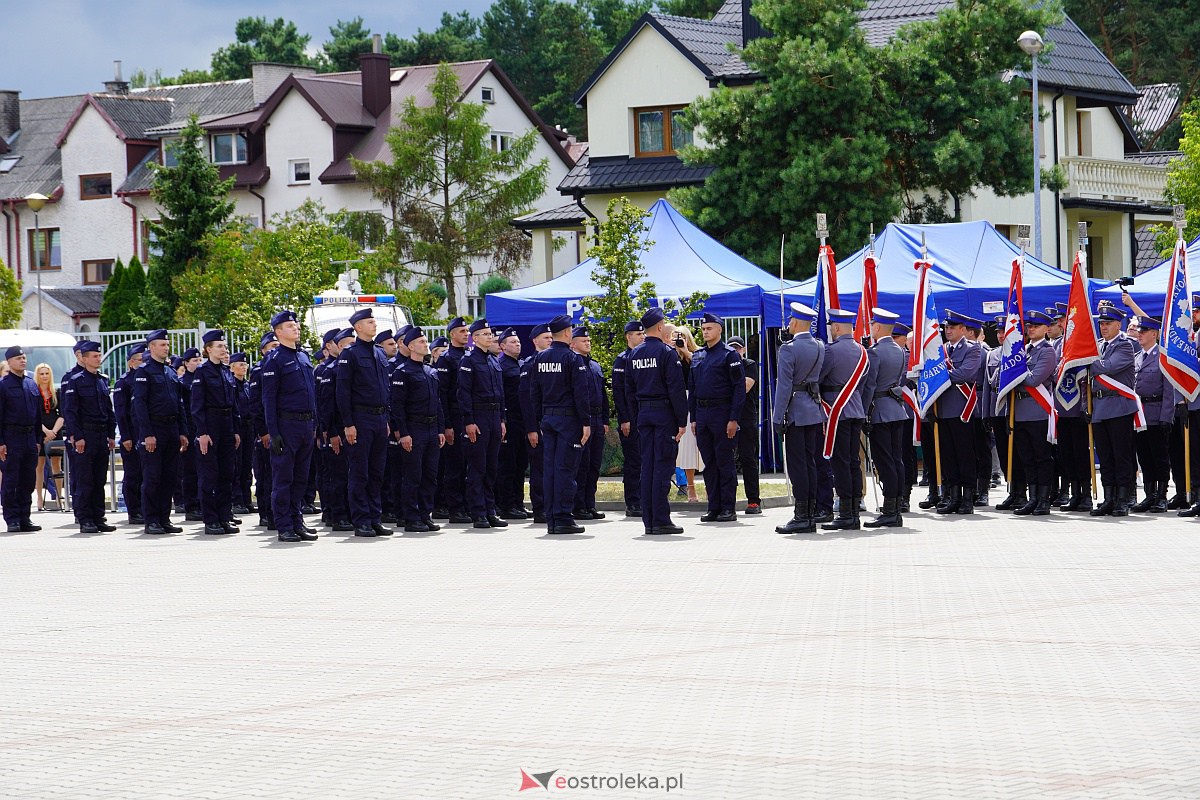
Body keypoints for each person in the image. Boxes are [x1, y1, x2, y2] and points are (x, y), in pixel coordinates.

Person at [626, 308, 688, 535]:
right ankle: (661, 520)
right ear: (661, 327)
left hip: (643, 414)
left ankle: (649, 520)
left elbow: (628, 390)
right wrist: (681, 420)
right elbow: (676, 389)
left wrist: (636, 416)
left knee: (647, 467)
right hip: (663, 414)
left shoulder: (635, 354)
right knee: (662, 466)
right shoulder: (666, 353)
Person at [530, 314, 592, 534]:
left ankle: (552, 518)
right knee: (565, 470)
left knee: (550, 471)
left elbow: (534, 392)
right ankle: (563, 517)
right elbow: (581, 394)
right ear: (567, 333)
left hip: (548, 419)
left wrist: (540, 418)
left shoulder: (540, 358)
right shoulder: (572, 359)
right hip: (568, 420)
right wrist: (586, 422)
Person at [262, 310, 319, 542]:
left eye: (295, 325)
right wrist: (273, 432)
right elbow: (268, 399)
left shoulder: (303, 357)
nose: (295, 328)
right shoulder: (274, 359)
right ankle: (284, 525)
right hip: (286, 425)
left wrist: (315, 424)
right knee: (284, 479)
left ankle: (297, 521)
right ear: (278, 332)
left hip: (306, 425)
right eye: (289, 326)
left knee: (300, 478)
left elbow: (312, 393)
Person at [336, 308, 393, 538]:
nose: (374, 325)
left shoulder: (379, 353)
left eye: (374, 321)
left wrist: (386, 418)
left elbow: (385, 389)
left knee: (377, 472)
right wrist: (348, 423)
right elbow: (343, 391)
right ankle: (361, 520)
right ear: (358, 327)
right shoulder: (350, 354)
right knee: (360, 472)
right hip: (360, 419)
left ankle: (374, 518)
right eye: (370, 322)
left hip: (379, 418)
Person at [771, 303, 825, 534]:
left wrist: (777, 416)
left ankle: (802, 516)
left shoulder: (788, 349)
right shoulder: (820, 346)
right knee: (810, 462)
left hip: (795, 411)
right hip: (813, 410)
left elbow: (784, 386)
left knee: (797, 465)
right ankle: (810, 512)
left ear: (794, 322)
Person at [689, 312, 745, 522]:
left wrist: (733, 418)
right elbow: (693, 388)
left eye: (709, 328)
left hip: (722, 413)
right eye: (703, 329)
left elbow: (738, 389)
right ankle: (714, 506)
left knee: (724, 461)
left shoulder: (729, 355)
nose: (705, 332)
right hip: (702, 414)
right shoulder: (698, 355)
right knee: (709, 463)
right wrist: (693, 418)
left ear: (719, 330)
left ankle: (728, 507)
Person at [132, 330, 189, 535]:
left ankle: (164, 519)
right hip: (154, 429)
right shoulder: (144, 372)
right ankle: (152, 520)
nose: (166, 348)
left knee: (169, 477)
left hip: (171, 428)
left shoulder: (170, 372)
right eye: (162, 344)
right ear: (151, 347)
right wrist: (147, 434)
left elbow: (179, 403)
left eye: (167, 344)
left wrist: (183, 431)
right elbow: (140, 404)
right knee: (152, 478)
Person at [391, 326, 446, 532]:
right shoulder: (402, 372)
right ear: (411, 346)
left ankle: (425, 514)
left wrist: (440, 429)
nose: (426, 345)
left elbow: (438, 403)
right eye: (421, 342)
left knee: (430, 475)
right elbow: (397, 406)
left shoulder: (431, 372)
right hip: (414, 428)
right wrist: (403, 433)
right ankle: (411, 517)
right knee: (413, 475)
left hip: (431, 428)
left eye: (425, 341)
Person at [819, 308, 869, 530]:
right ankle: (854, 510)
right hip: (856, 410)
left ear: (837, 327)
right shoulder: (863, 351)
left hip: (836, 411)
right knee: (853, 461)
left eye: (832, 326)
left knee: (840, 462)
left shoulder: (830, 351)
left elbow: (819, 378)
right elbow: (865, 384)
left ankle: (846, 513)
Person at [61, 340, 117, 533]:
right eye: (94, 356)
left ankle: (98, 517)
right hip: (86, 435)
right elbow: (70, 412)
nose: (98, 359)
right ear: (84, 359)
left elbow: (109, 411)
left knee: (99, 479)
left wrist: (111, 434)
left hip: (101, 435)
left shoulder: (102, 380)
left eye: (99, 355)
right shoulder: (75, 381)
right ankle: (85, 519)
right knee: (85, 480)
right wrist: (77, 436)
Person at [457, 318, 508, 529]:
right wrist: (469, 421)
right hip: (478, 417)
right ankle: (478, 512)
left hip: (494, 417)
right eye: (485, 334)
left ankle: (490, 510)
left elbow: (501, 393)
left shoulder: (494, 360)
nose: (490, 337)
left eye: (490, 334)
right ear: (475, 338)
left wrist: (502, 420)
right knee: (477, 467)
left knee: (491, 467)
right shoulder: (468, 361)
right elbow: (463, 393)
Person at [1089, 304, 1139, 516]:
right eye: (1101, 323)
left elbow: (1108, 367)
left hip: (1119, 406)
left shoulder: (1125, 346)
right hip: (1099, 407)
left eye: (1108, 323)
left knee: (1122, 456)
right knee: (1106, 457)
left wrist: (1088, 361)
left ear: (1119, 324)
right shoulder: (1099, 346)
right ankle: (1109, 497)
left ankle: (1123, 499)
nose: (1104, 327)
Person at [860, 309, 908, 528]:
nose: (871, 328)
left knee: (884, 461)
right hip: (896, 409)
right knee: (897, 460)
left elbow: (870, 385)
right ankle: (895, 508)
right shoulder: (899, 350)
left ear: (877, 327)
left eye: (872, 325)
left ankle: (889, 510)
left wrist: (863, 412)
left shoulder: (875, 353)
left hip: (880, 411)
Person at [190, 330, 241, 535]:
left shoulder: (227, 371)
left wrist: (235, 430)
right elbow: (196, 406)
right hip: (210, 425)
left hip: (227, 424)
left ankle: (224, 517)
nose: (223, 349)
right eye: (219, 346)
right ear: (208, 349)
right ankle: (211, 520)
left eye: (224, 346)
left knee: (227, 474)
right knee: (209, 475)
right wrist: (202, 432)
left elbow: (234, 404)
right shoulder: (202, 372)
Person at [1009, 310, 1057, 516]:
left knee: (1041, 457)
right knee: (1026, 458)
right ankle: (1033, 498)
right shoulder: (1022, 350)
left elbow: (1034, 379)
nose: (1031, 329)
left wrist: (1014, 375)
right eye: (1029, 326)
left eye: (1036, 326)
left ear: (1046, 329)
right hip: (1020, 411)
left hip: (1038, 410)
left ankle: (1044, 499)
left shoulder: (1047, 351)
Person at [935, 311, 983, 515]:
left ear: (963, 329)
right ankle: (953, 497)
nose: (948, 330)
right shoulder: (941, 350)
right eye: (946, 327)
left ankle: (968, 498)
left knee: (965, 455)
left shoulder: (973, 349)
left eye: (952, 327)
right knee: (948, 455)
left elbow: (966, 374)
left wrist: (940, 376)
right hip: (943, 409)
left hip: (963, 409)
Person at [1130, 316, 1173, 512]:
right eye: (1139, 331)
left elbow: (1169, 390)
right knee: (1145, 457)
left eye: (1144, 331)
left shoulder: (1162, 357)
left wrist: (1166, 417)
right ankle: (1149, 495)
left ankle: (1162, 496)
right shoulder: (1137, 357)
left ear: (1154, 334)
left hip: (1156, 413)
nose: (1139, 334)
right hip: (1140, 416)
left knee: (1159, 457)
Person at [0, 346, 43, 533]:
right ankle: (12, 519)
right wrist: (1, 442)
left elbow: (38, 415)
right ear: (9, 362)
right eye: (18, 358)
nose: (22, 361)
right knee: (11, 480)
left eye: (24, 358)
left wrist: (38, 439)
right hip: (11, 437)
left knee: (28, 479)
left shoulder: (31, 384)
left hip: (29, 437)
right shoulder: (3, 385)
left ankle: (25, 517)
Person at [315, 329, 354, 532]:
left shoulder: (353, 368)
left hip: (353, 427)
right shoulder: (330, 370)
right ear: (337, 347)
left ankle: (350, 513)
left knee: (352, 475)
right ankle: (337, 515)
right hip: (337, 429)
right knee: (337, 476)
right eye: (348, 344)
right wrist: (330, 432)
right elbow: (325, 405)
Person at [435, 317, 471, 523]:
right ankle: (455, 508)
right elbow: (442, 394)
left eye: (467, 331)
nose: (466, 334)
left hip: (468, 416)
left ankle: (467, 505)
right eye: (462, 331)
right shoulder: (446, 359)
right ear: (452, 334)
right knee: (455, 465)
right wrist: (447, 424)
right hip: (454, 416)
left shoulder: (470, 356)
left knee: (469, 465)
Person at [571, 326, 608, 520]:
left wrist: (605, 419)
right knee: (581, 465)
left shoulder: (594, 365)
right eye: (583, 341)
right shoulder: (573, 363)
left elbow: (603, 395)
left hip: (597, 419)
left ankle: (589, 503)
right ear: (573, 343)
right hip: (581, 420)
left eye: (588, 340)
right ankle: (578, 506)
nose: (588, 343)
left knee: (594, 465)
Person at [519, 324, 553, 523]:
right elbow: (526, 399)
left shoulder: (553, 361)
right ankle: (540, 508)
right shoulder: (530, 364)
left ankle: (552, 506)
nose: (550, 340)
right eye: (546, 337)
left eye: (551, 337)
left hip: (552, 423)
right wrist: (532, 428)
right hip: (538, 425)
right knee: (539, 468)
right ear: (535, 341)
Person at [612, 321, 646, 517]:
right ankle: (633, 502)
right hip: (630, 419)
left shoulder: (643, 357)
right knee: (633, 462)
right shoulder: (622, 360)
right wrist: (625, 419)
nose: (642, 337)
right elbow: (618, 393)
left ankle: (644, 499)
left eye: (643, 334)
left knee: (645, 460)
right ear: (628, 337)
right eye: (638, 334)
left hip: (645, 416)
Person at [495, 328, 529, 519]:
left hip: (523, 419)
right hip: (509, 419)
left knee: (521, 464)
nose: (517, 344)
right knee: (507, 464)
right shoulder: (500, 365)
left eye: (518, 342)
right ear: (502, 346)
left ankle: (518, 502)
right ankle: (506, 504)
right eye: (513, 342)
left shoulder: (522, 364)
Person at [248, 332, 279, 528]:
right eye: (271, 347)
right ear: (263, 351)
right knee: (266, 474)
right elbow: (256, 405)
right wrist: (263, 432)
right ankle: (266, 513)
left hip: (282, 428)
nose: (275, 349)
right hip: (266, 431)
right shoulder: (259, 370)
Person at [727, 336, 761, 515]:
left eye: (738, 348)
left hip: (746, 418)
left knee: (748, 459)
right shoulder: (724, 363)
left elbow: (745, 387)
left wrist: (726, 382)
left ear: (743, 350)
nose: (735, 351)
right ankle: (727, 502)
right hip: (727, 417)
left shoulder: (749, 364)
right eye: (731, 348)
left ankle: (753, 501)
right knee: (727, 460)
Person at [671, 324, 703, 501]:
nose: (677, 339)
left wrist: (685, 351)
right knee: (686, 448)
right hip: (679, 401)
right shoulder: (669, 355)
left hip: (697, 399)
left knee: (703, 445)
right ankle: (690, 488)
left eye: (681, 336)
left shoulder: (697, 354)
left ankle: (711, 485)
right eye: (674, 336)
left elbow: (702, 369)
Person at [176, 347, 203, 521]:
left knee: (204, 470)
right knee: (190, 470)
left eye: (200, 360)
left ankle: (203, 504)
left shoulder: (203, 379)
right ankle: (191, 506)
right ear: (186, 363)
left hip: (202, 427)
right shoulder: (182, 383)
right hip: (190, 428)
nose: (198, 363)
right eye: (194, 361)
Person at [33, 362, 64, 511]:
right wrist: (45, 431)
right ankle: (39, 498)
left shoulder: (56, 392)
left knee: (57, 464)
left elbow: (62, 415)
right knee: (39, 465)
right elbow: (33, 415)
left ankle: (59, 497)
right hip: (40, 430)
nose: (44, 376)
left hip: (55, 430)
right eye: (42, 373)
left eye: (47, 373)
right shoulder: (34, 393)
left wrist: (53, 432)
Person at [229, 352, 255, 515]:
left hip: (249, 428)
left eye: (245, 365)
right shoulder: (231, 385)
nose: (244, 367)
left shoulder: (247, 385)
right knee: (237, 465)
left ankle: (246, 499)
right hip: (238, 428)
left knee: (247, 465)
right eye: (240, 364)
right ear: (232, 368)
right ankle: (237, 500)